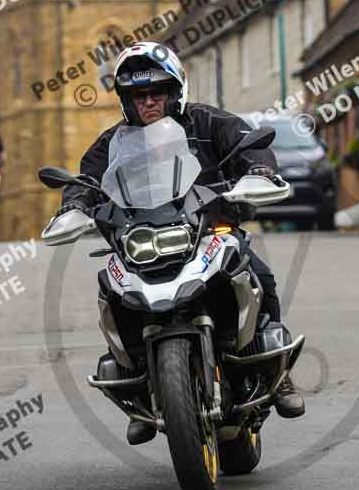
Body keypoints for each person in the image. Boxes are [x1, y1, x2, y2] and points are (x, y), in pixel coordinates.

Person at [57, 42, 305, 443]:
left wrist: (258, 168)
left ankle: (280, 372)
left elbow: (250, 144)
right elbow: (85, 182)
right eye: (140, 95)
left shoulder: (208, 123)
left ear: (175, 92)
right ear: (126, 99)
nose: (150, 102)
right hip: (141, 240)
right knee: (112, 290)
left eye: (157, 92)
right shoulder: (111, 144)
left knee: (258, 272)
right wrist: (73, 205)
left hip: (208, 230)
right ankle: (136, 381)